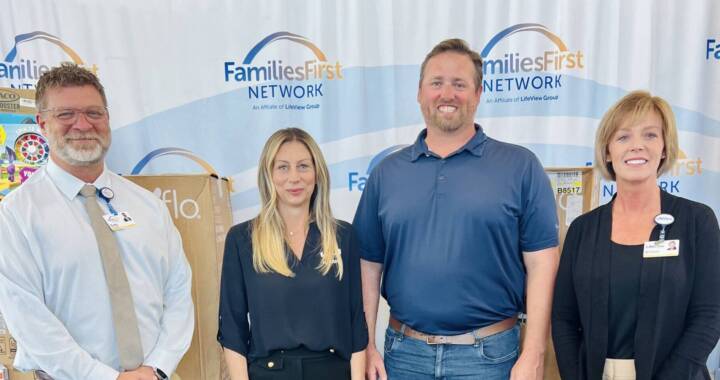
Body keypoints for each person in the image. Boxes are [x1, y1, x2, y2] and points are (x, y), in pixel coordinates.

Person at [353, 38, 560, 380]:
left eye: (459, 84)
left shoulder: (520, 166)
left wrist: (534, 351)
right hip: (404, 357)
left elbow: (542, 263)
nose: (446, 94)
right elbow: (368, 266)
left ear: (478, 94)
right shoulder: (386, 174)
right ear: (420, 93)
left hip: (491, 360)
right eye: (436, 83)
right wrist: (366, 346)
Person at [0, 63, 194, 380]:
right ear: (42, 123)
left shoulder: (149, 206)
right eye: (66, 115)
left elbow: (178, 291)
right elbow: (27, 316)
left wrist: (158, 366)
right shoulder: (16, 214)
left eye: (94, 113)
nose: (82, 124)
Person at [552, 91, 720, 379]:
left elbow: (710, 314)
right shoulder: (583, 230)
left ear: (666, 148)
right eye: (623, 137)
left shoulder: (697, 221)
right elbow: (564, 318)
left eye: (651, 135)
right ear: (607, 151)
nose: (637, 146)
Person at [218, 128, 368, 380]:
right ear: (269, 175)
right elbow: (232, 330)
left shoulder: (343, 236)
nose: (294, 178)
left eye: (303, 166)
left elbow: (356, 326)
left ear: (317, 174)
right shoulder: (242, 240)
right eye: (283, 167)